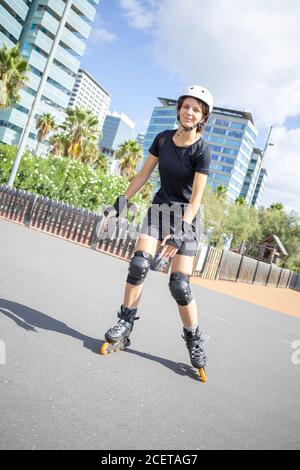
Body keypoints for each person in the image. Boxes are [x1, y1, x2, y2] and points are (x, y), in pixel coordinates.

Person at [100, 85, 213, 381]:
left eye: (196, 109)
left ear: (203, 117)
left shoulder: (202, 150)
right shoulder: (163, 139)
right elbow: (142, 174)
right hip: (159, 212)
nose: (189, 112)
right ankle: (125, 323)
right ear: (179, 109)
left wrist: (179, 235)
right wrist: (119, 205)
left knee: (179, 285)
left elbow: (196, 199)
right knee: (139, 265)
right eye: (186, 106)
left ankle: (193, 338)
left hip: (186, 219)